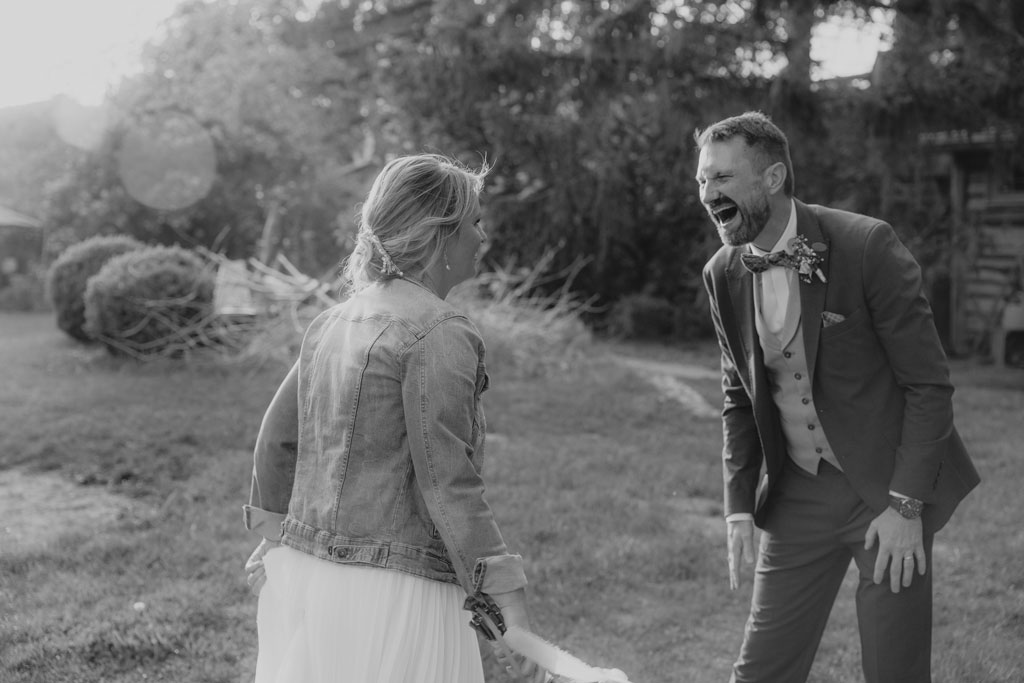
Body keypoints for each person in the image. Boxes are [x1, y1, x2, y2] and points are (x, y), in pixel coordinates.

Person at [694, 111, 980, 683]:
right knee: (760, 672)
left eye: (723, 178)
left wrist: (905, 507)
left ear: (772, 178)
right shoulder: (722, 272)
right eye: (702, 180)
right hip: (798, 490)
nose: (707, 194)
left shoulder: (865, 244)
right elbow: (737, 394)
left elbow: (928, 385)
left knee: (893, 670)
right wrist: (738, 505)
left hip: (886, 487)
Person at [242, 153, 546, 683]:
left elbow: (276, 441)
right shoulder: (440, 331)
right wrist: (508, 600)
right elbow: (449, 483)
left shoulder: (334, 321)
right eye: (475, 221)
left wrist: (274, 537)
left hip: (314, 579)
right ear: (439, 234)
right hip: (398, 592)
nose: (483, 236)